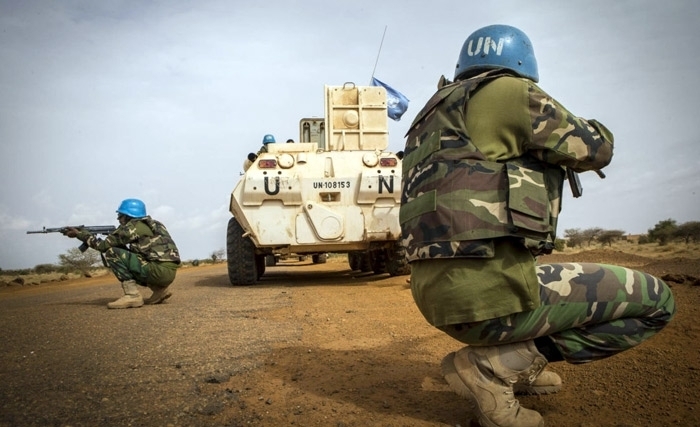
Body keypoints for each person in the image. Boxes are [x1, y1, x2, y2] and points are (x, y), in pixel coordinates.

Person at [400, 24, 675, 427]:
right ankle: (494, 367)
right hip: (489, 300)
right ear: (522, 64)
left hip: (437, 297)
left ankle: (513, 360)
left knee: (545, 278)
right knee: (658, 301)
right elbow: (597, 149)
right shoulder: (510, 92)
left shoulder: (429, 117)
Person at [63, 198, 181, 309]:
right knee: (127, 255)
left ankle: (132, 295)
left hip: (157, 271)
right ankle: (159, 290)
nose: (118, 219)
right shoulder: (155, 224)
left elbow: (103, 246)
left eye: (120, 215)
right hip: (168, 272)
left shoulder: (131, 228)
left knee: (112, 253)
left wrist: (80, 234)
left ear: (128, 216)